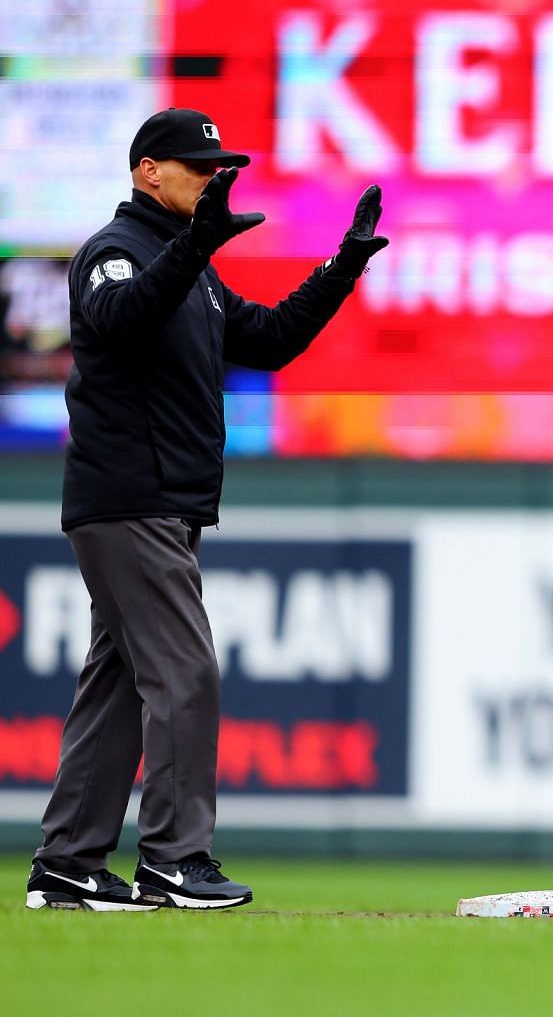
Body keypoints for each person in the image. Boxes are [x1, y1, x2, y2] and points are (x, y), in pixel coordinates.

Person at [26, 108, 389, 911]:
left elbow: (267, 339)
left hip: (161, 502)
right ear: (146, 171)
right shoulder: (114, 253)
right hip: (130, 499)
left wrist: (342, 267)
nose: (213, 178)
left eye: (219, 167)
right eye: (197, 166)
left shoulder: (185, 265)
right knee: (185, 675)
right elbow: (120, 317)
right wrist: (197, 246)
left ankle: (68, 865)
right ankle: (174, 861)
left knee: (119, 684)